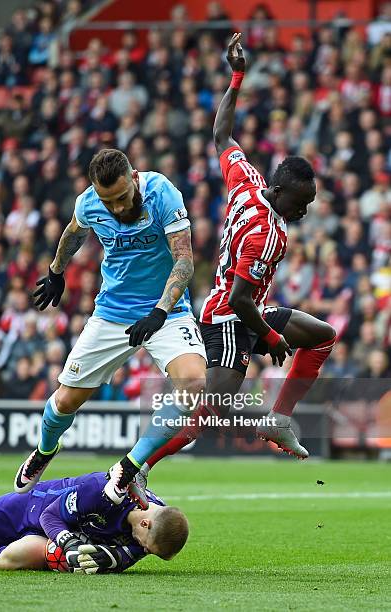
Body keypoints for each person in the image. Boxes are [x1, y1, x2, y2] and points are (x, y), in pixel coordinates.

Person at [131, 33, 336, 486]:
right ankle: (136, 469)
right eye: (302, 202)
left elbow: (221, 132)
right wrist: (270, 337)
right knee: (206, 412)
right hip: (229, 317)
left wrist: (237, 77)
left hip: (247, 308)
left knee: (321, 336)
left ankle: (278, 419)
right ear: (281, 193)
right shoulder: (266, 233)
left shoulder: (248, 180)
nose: (305, 210)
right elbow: (242, 300)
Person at [14, 148, 207, 505]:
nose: (117, 207)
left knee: (194, 383)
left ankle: (129, 467)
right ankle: (44, 450)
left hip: (166, 310)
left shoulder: (162, 193)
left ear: (134, 178)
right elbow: (73, 232)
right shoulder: (89, 203)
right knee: (66, 400)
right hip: (112, 313)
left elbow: (184, 259)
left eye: (121, 197)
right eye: (108, 201)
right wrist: (57, 270)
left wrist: (160, 312)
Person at [0, 471, 188, 574]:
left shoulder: (155, 529)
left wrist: (103, 559)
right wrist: (69, 543)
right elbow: (50, 516)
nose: (143, 551)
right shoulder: (104, 491)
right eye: (146, 546)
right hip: (33, 506)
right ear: (146, 525)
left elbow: (118, 560)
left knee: (10, 560)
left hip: (48, 538)